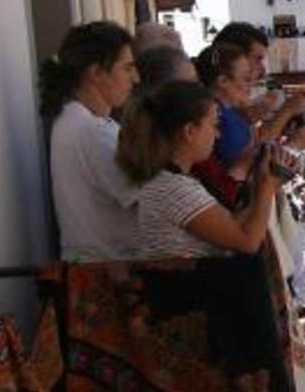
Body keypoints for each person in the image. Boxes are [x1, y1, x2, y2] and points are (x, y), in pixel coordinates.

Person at [116, 79, 281, 257]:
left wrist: (266, 186)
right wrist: (267, 188)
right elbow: (248, 242)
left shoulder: (174, 179)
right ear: (189, 132)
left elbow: (233, 224)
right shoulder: (174, 188)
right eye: (214, 125)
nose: (217, 135)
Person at [41, 20, 140, 261]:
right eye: (127, 68)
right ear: (96, 73)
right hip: (108, 276)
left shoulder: (76, 119)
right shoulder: (91, 131)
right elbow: (154, 204)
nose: (135, 78)